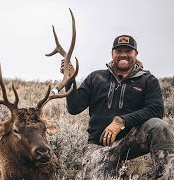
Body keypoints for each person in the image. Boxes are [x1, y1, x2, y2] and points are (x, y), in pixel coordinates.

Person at [62, 35, 174, 179]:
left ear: (136, 54)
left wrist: (122, 121)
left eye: (128, 51)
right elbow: (74, 107)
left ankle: (168, 176)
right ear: (112, 53)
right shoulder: (95, 78)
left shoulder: (147, 80)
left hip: (131, 140)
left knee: (159, 126)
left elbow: (156, 109)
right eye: (119, 50)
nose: (123, 55)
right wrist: (70, 80)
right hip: (99, 144)